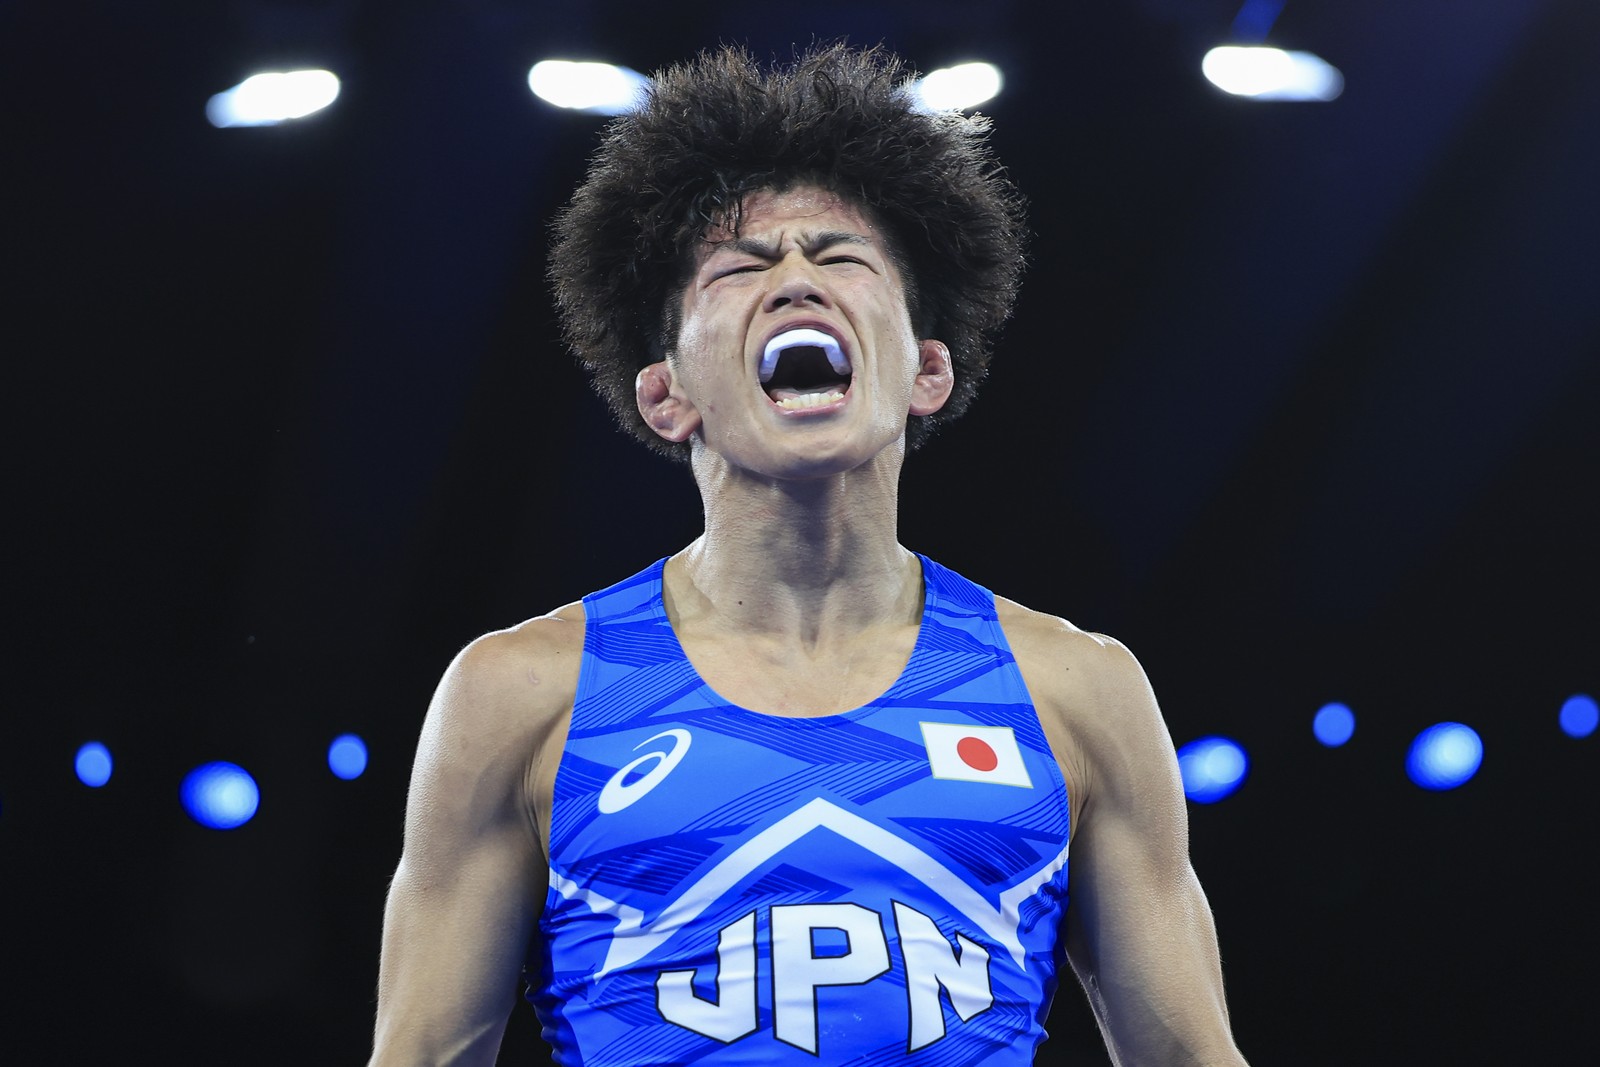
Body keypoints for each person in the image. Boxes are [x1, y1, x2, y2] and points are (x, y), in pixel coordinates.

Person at [369, 43, 1250, 1067]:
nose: (794, 280)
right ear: (666, 394)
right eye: (741, 266)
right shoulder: (520, 693)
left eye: (841, 259)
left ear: (924, 369)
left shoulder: (1075, 689)